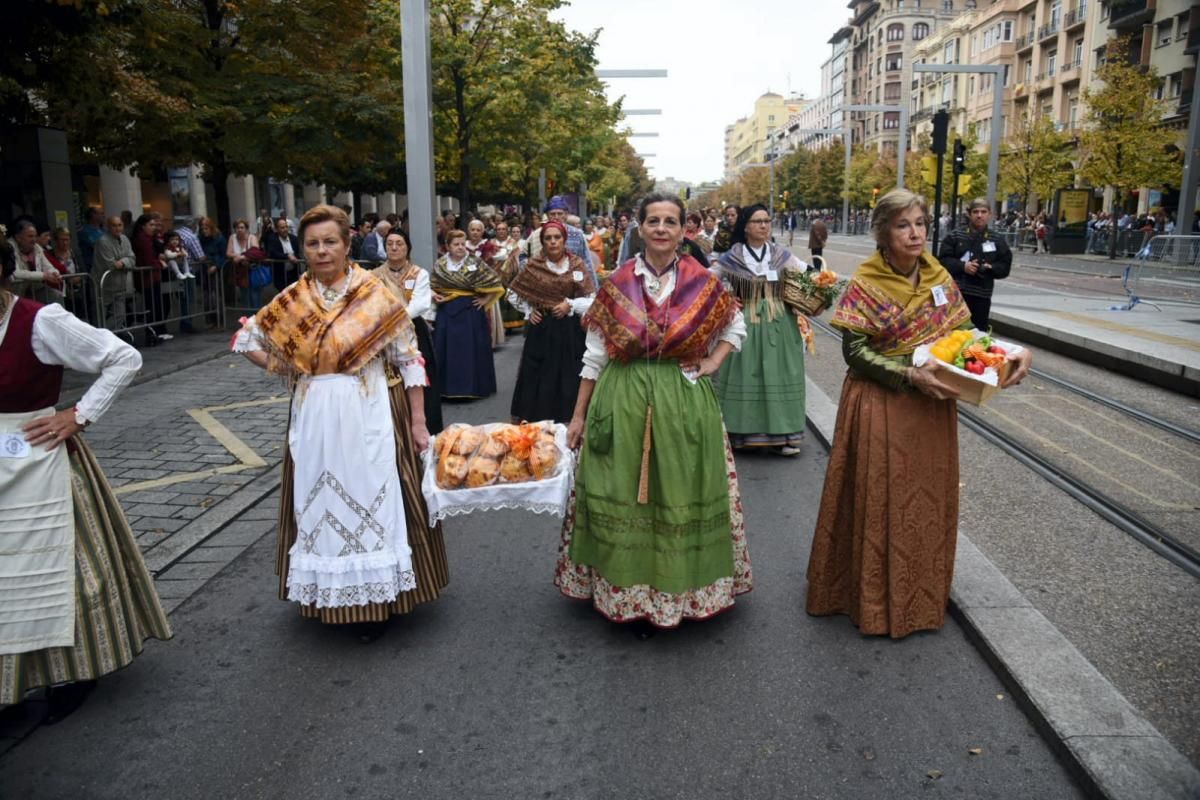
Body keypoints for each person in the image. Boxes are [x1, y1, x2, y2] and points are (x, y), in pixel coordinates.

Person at [805, 189, 1031, 638]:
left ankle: (918, 597)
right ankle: (867, 599)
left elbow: (966, 333)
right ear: (883, 232)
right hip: (881, 403)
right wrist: (909, 375)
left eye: (920, 224)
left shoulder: (939, 279)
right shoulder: (866, 282)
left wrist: (1009, 350)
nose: (914, 234)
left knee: (925, 505)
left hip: (931, 410)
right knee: (879, 500)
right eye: (902, 225)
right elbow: (854, 352)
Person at [232, 205, 447, 629]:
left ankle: (376, 601)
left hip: (368, 410)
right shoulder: (294, 298)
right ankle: (330, 596)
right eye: (312, 243)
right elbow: (246, 338)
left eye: (330, 242)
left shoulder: (376, 294)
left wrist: (418, 423)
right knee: (321, 502)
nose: (321, 251)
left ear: (348, 245)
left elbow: (409, 360)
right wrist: (282, 366)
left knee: (372, 499)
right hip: (315, 415)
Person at [555, 193, 752, 629]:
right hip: (622, 395)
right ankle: (626, 590)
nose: (662, 229)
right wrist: (579, 416)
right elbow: (594, 355)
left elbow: (735, 325)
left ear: (684, 231)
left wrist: (712, 363)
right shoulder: (617, 282)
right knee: (623, 491)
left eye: (670, 222)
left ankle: (682, 589)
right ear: (640, 229)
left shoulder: (703, 281)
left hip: (682, 399)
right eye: (653, 221)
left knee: (681, 490)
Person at [0, 238, 171, 719]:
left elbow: (124, 358)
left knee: (62, 569)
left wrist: (79, 413)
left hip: (40, 461)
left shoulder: (40, 321)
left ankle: (71, 670)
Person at [715, 204, 810, 455]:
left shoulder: (781, 254)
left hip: (780, 324)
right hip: (744, 321)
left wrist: (822, 283)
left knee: (779, 375)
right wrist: (725, 299)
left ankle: (784, 435)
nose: (764, 225)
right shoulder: (731, 257)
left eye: (767, 220)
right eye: (758, 221)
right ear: (745, 226)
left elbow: (808, 273)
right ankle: (739, 433)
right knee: (744, 374)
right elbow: (707, 283)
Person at [506, 220, 596, 424]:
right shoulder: (534, 266)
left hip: (569, 331)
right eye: (548, 238)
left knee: (569, 375)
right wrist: (530, 311)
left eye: (557, 238)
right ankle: (539, 422)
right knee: (540, 376)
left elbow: (591, 298)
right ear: (543, 242)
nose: (553, 242)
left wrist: (570, 305)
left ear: (564, 240)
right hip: (542, 329)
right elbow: (513, 293)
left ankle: (570, 420)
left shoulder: (577, 265)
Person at [372, 228, 444, 435]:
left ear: (407, 248)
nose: (394, 247)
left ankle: (425, 429)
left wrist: (393, 320)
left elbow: (420, 304)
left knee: (420, 378)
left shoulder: (418, 273)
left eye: (399, 243)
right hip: (383, 335)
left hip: (412, 330)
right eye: (390, 244)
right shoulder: (374, 276)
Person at [431, 228, 504, 399]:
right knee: (447, 350)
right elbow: (432, 285)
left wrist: (485, 300)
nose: (460, 247)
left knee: (471, 350)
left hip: (470, 311)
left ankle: (474, 387)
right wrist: (435, 295)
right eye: (456, 244)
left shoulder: (475, 262)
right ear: (447, 246)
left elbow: (495, 282)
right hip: (447, 311)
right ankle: (447, 389)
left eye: (463, 244)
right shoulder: (440, 264)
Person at [938, 198, 1013, 331]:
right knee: (952, 333)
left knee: (978, 334)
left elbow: (1005, 266)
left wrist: (991, 268)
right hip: (957, 295)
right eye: (976, 212)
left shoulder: (997, 239)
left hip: (981, 296)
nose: (979, 215)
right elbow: (942, 261)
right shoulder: (955, 236)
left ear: (990, 214)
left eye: (983, 212)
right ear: (969, 214)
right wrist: (963, 266)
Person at [131, 213, 170, 346]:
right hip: (148, 278)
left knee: (154, 306)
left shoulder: (148, 238)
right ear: (143, 226)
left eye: (154, 225)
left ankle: (154, 333)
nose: (153, 228)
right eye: (151, 225)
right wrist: (160, 263)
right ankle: (151, 334)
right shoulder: (143, 239)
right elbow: (148, 260)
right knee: (151, 307)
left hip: (151, 277)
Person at [93, 215, 136, 329]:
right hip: (103, 286)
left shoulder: (125, 239)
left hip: (120, 285)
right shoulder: (103, 242)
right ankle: (101, 337)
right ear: (108, 227)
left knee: (120, 315)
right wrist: (124, 262)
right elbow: (110, 264)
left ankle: (108, 336)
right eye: (114, 225)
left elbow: (132, 258)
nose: (117, 228)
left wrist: (122, 263)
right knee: (100, 316)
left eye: (119, 225)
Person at [226, 218, 260, 311]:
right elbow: (228, 253)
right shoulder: (232, 238)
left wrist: (241, 257)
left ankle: (257, 319)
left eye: (242, 227)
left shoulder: (252, 237)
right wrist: (237, 255)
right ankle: (247, 321)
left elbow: (255, 251)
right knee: (244, 296)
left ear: (246, 229)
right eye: (237, 227)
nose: (239, 229)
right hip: (240, 271)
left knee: (255, 296)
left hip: (253, 270)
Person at [198, 217, 225, 330]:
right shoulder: (201, 239)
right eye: (202, 228)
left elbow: (223, 255)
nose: (205, 231)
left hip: (215, 269)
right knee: (206, 296)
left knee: (215, 296)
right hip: (204, 269)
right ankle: (210, 320)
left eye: (206, 228)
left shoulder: (219, 238)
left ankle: (219, 320)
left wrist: (216, 265)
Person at [265, 216, 302, 292]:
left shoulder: (294, 238)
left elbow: (298, 253)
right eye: (282, 228)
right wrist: (287, 256)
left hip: (293, 273)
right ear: (277, 229)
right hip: (280, 274)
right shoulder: (272, 239)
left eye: (286, 227)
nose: (285, 229)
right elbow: (273, 252)